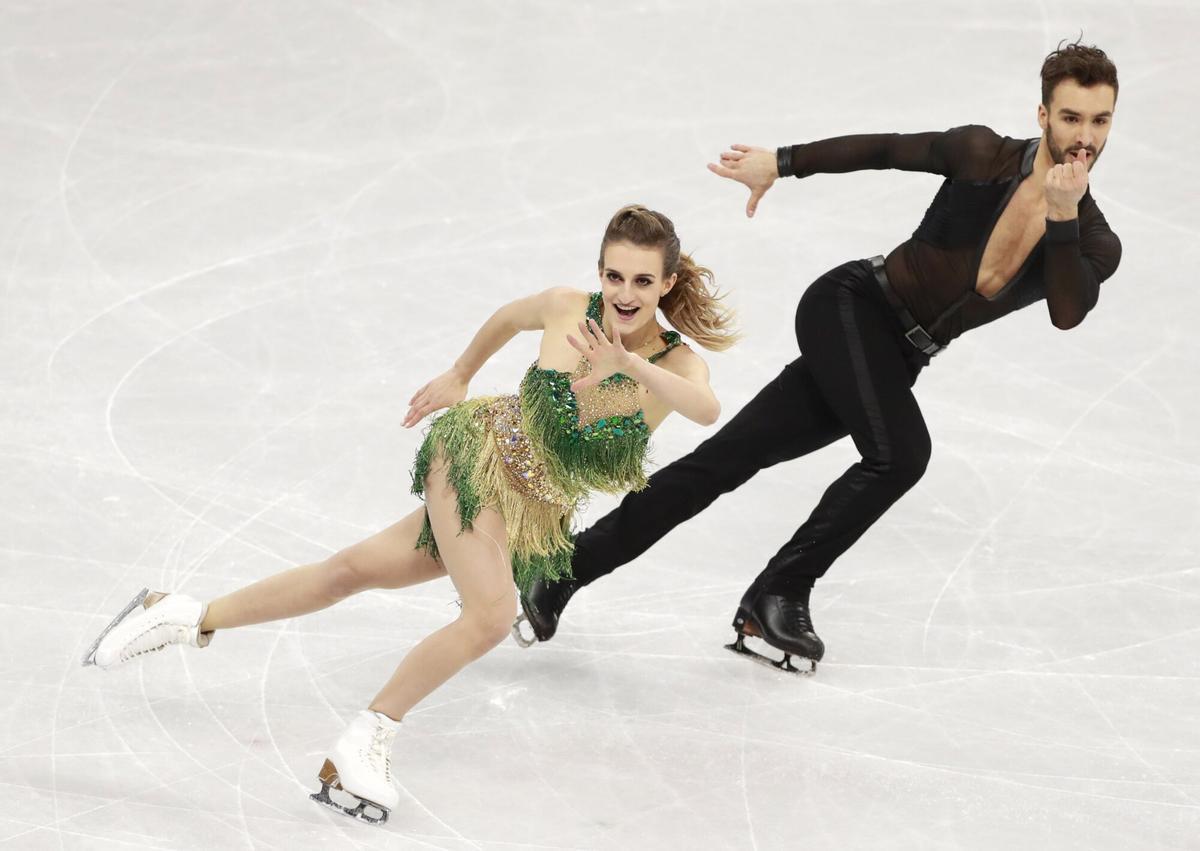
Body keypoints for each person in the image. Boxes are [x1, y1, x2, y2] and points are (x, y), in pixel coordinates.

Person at [81, 204, 737, 824]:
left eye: (643, 280)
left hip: (521, 511)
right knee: (489, 616)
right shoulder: (569, 307)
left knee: (350, 570)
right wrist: (460, 373)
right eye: (614, 274)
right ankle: (362, 744)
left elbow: (704, 408)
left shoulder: (675, 364)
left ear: (667, 282)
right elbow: (511, 318)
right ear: (600, 270)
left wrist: (625, 365)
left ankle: (184, 614)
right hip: (472, 458)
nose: (625, 292)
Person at [514, 39, 1123, 676]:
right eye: (1071, 118)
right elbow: (885, 149)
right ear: (1043, 115)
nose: (1084, 137)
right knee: (901, 455)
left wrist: (1062, 217)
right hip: (852, 307)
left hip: (899, 357)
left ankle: (560, 573)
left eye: (1099, 121)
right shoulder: (981, 155)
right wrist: (780, 162)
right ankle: (781, 590)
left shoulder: (1096, 240)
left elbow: (1068, 308)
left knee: (725, 461)